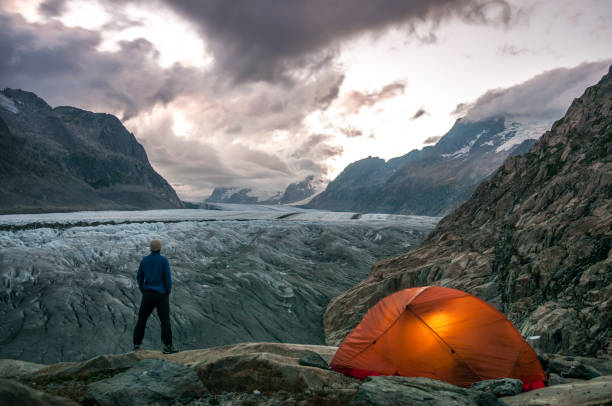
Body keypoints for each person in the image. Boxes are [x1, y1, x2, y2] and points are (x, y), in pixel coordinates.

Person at [133, 239, 178, 354]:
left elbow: (139, 277)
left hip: (147, 294)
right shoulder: (163, 260)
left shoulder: (145, 260)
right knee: (165, 321)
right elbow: (167, 279)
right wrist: (167, 293)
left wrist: (144, 290)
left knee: (142, 320)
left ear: (150, 248)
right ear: (160, 248)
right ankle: (168, 346)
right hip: (160, 294)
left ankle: (136, 345)